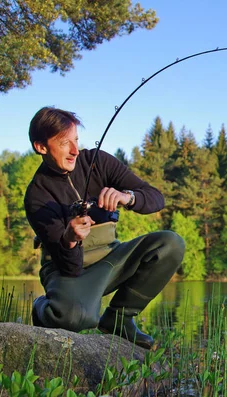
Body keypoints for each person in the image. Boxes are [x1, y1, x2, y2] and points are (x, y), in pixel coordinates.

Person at [25, 106, 185, 350]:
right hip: (67, 270)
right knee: (75, 319)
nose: (75, 151)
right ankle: (43, 307)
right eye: (64, 143)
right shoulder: (37, 196)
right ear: (41, 147)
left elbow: (155, 198)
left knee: (171, 244)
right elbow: (70, 266)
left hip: (111, 258)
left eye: (76, 140)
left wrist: (127, 197)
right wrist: (70, 238)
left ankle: (119, 318)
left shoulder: (96, 161)